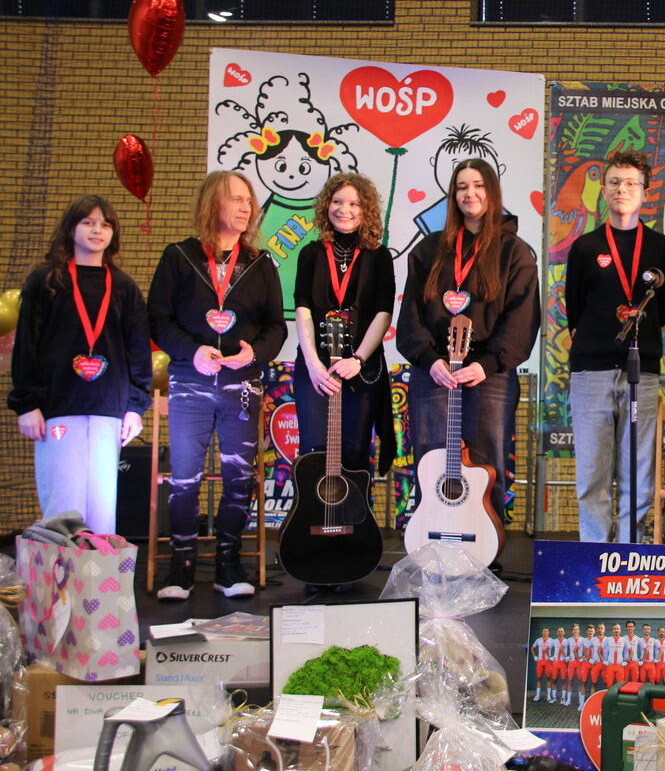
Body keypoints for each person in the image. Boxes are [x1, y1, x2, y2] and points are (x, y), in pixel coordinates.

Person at [148, 170, 286, 600]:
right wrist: (192, 352)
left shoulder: (261, 263)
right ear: (213, 203)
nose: (246, 207)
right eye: (235, 199)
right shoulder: (179, 256)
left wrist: (254, 354)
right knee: (185, 477)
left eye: (249, 200)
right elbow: (158, 319)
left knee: (239, 476)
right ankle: (181, 565)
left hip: (241, 386)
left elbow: (276, 327)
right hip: (190, 383)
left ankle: (229, 562)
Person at [397, 158, 540, 552]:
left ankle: (483, 552)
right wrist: (430, 360)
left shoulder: (515, 252)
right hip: (435, 372)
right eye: (461, 187)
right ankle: (431, 548)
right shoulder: (429, 250)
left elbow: (522, 318)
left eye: (478, 186)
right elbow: (410, 314)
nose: (469, 194)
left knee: (487, 462)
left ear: (492, 192)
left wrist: (486, 364)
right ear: (452, 194)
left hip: (489, 374)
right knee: (430, 460)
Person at [9, 195, 151, 533]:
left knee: (102, 508)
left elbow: (138, 351)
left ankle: (98, 568)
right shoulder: (46, 281)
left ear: (113, 233)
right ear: (70, 229)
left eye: (105, 224)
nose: (96, 230)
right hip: (59, 407)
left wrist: (135, 407)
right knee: (64, 504)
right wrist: (26, 404)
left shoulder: (123, 286)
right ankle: (61, 569)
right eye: (88, 222)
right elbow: (27, 346)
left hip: (108, 410)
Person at [566, 149, 665, 543]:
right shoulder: (585, 247)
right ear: (603, 189)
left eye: (632, 183)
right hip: (591, 371)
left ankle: (630, 553)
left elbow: (664, 309)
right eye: (614, 182)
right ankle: (595, 552)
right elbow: (574, 308)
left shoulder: (662, 248)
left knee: (638, 472)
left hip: (641, 372)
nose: (622, 189)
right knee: (592, 474)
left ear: (645, 191)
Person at [292, 173, 395, 481]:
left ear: (366, 210)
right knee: (313, 452)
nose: (344, 210)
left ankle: (355, 514)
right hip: (316, 366)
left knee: (354, 453)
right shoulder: (310, 254)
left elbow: (384, 313)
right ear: (326, 205)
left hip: (361, 367)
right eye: (337, 202)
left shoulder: (379, 256)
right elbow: (302, 308)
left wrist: (358, 359)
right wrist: (312, 363)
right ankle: (313, 514)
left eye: (354, 204)